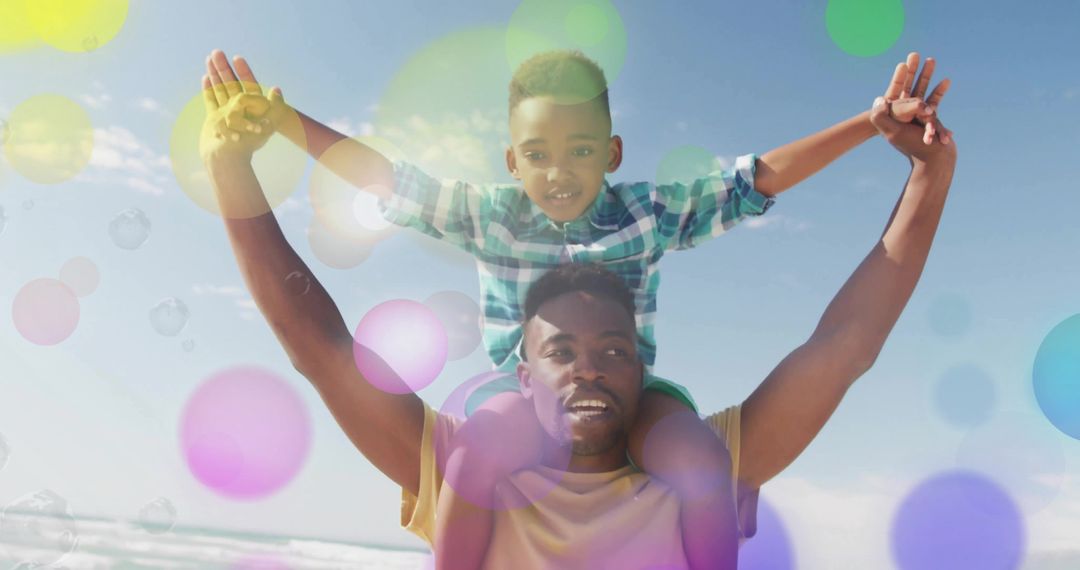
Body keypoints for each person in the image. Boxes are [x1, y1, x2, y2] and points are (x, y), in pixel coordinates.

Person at [200, 50, 952, 568]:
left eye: (580, 152)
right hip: (507, 397)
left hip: (644, 403)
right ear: (510, 160)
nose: (559, 173)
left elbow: (756, 182)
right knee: (481, 447)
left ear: (614, 152)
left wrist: (872, 127)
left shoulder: (648, 214)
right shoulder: (487, 216)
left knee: (695, 454)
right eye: (538, 155)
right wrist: (280, 125)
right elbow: (382, 194)